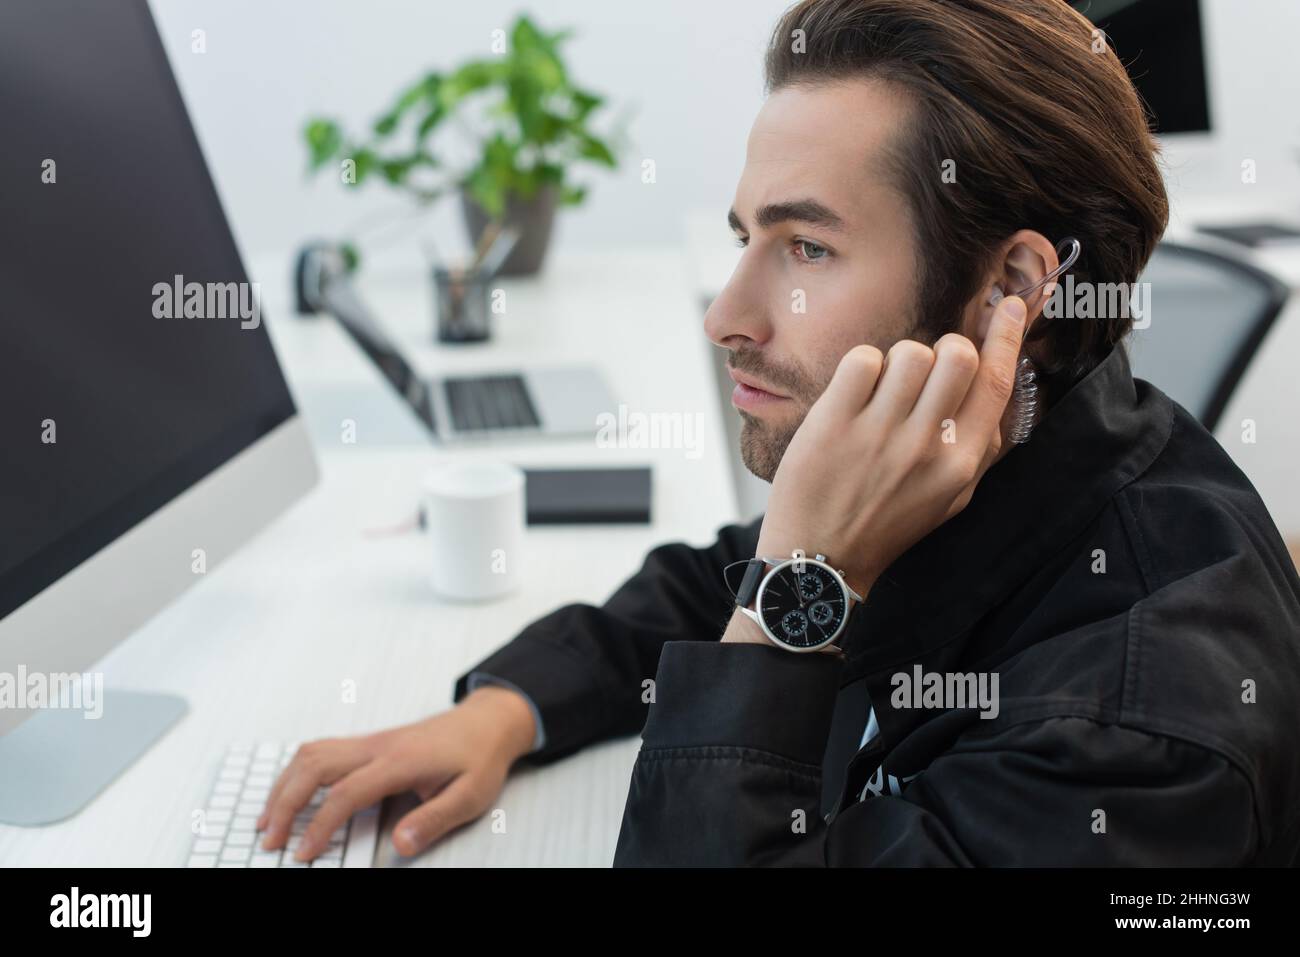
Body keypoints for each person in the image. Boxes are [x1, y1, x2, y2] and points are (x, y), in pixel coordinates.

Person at [257, 0, 1300, 866]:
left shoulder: (1137, 754)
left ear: (1011, 289)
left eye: (805, 246)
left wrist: (803, 582)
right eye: (746, 236)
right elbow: (715, 579)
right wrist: (508, 710)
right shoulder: (986, 460)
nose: (725, 317)